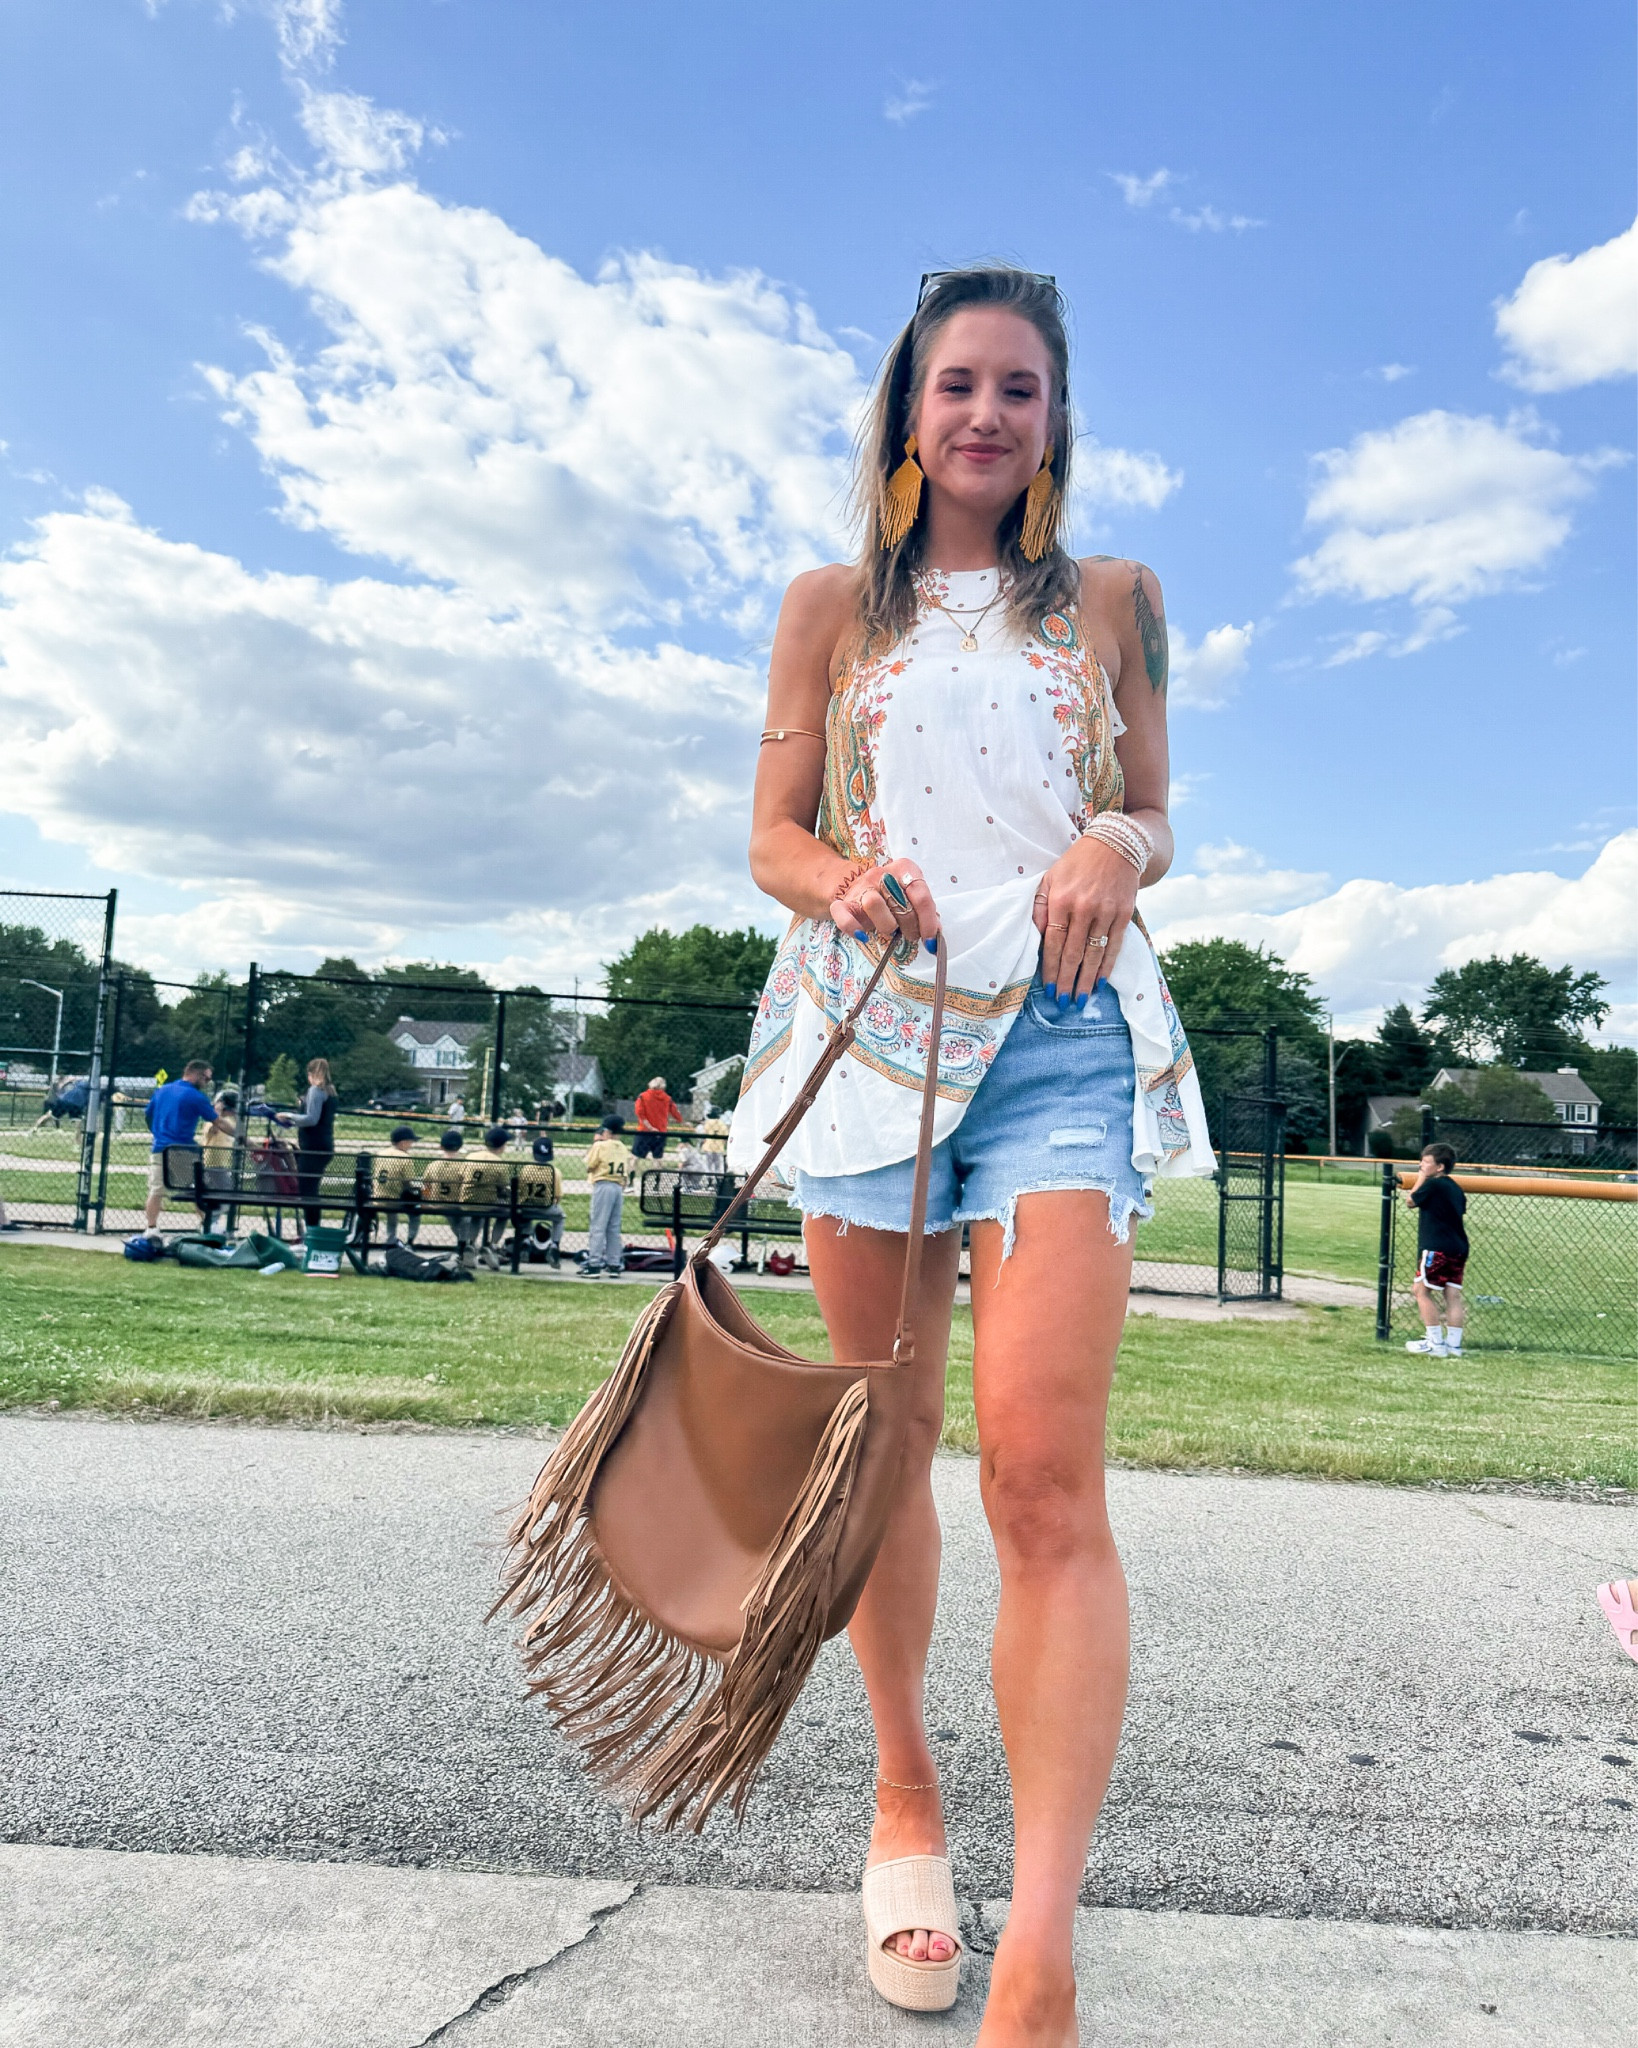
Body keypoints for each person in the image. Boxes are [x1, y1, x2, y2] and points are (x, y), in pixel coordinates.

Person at [730, 267, 1214, 2041]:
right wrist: (840, 879)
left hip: (1061, 1037)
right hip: (867, 1040)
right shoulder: (822, 612)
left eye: (1021, 387)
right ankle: (904, 1808)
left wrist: (1114, 842)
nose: (987, 414)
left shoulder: (1117, 600)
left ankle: (1040, 1950)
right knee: (882, 1451)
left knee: (1039, 1475)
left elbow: (1154, 803)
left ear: (1056, 415)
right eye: (958, 384)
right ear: (905, 411)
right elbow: (772, 836)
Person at [1405, 1142, 1468, 1357]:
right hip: (1458, 1247)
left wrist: (1421, 1178)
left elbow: (1411, 1201)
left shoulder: (1433, 1185)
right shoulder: (1455, 1188)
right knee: (1452, 1295)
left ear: (1439, 1167)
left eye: (1426, 1162)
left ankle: (1435, 1343)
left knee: (1421, 1291)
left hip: (1436, 1247)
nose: (1421, 1165)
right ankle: (1454, 1346)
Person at [144, 1060, 221, 1231]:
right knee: (198, 1188)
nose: (207, 1083)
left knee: (156, 1189)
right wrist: (241, 1137)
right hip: (183, 1149)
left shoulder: (162, 1091)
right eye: (206, 1079)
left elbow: (148, 1115)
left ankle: (151, 1228)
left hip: (160, 1147)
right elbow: (217, 1120)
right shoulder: (195, 1096)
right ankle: (208, 1225)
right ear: (197, 1074)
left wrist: (157, 1133)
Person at [279, 1058, 338, 1231]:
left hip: (313, 1146)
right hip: (324, 1144)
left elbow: (312, 1119)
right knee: (310, 1189)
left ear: (310, 1074)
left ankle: (312, 1230)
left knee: (308, 1191)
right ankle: (312, 1229)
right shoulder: (330, 1091)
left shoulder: (315, 1090)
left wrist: (289, 1116)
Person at [582, 1113, 637, 1277]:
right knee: (613, 1228)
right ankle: (614, 1264)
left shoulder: (600, 1146)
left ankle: (594, 1264)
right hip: (618, 1187)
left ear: (606, 1131)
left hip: (603, 1185)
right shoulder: (622, 1147)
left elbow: (589, 1166)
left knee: (598, 1226)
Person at [422, 1127, 478, 1268]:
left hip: (438, 1203)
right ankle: (465, 1246)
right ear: (460, 1147)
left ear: (441, 1146)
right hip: (458, 1203)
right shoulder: (464, 1165)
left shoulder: (433, 1165)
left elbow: (426, 1186)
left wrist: (425, 1200)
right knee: (466, 1218)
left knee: (458, 1222)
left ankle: (464, 1246)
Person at [462, 1124, 516, 1271]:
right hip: (487, 1203)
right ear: (502, 1146)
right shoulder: (499, 1163)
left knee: (476, 1216)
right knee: (504, 1213)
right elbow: (503, 1188)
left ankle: (471, 1243)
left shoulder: (471, 1156)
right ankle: (492, 1244)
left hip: (466, 1200)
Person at [517, 1134, 566, 1264]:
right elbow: (558, 1196)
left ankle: (526, 1240)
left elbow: (520, 1191)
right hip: (546, 1207)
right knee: (560, 1218)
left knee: (525, 1215)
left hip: (527, 1207)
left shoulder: (525, 1169)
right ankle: (555, 1245)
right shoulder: (555, 1171)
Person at [198, 1088, 239, 1235]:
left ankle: (211, 1223)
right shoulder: (214, 1121)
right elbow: (213, 1130)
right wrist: (218, 1112)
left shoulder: (229, 1121)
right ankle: (210, 1223)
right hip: (212, 1165)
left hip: (219, 1165)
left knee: (224, 1195)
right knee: (227, 1196)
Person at [373, 1126, 422, 1245]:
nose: (411, 1145)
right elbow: (407, 1183)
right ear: (403, 1142)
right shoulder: (405, 1158)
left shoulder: (381, 1153)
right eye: (410, 1142)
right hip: (394, 1199)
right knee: (416, 1212)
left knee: (392, 1214)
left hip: (377, 1197)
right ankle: (410, 1241)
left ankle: (390, 1238)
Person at [632, 1075, 684, 1162]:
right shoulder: (667, 1099)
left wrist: (650, 1127)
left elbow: (640, 1113)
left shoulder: (643, 1096)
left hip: (644, 1131)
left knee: (635, 1157)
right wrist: (681, 1121)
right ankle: (657, 1175)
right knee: (657, 1158)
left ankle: (631, 1174)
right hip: (660, 1132)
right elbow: (675, 1112)